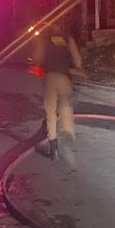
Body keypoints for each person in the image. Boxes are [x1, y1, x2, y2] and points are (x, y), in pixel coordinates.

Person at [31, 20, 83, 160]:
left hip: (50, 78)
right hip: (65, 78)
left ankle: (53, 147)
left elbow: (37, 59)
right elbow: (78, 62)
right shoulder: (68, 38)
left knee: (50, 113)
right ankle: (69, 134)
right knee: (66, 105)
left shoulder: (44, 39)